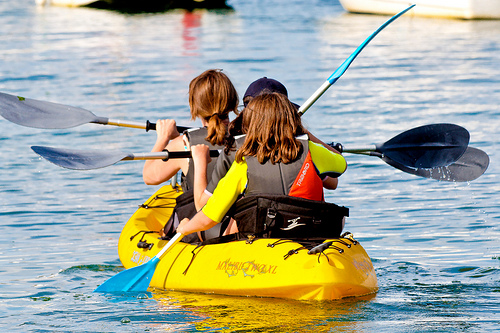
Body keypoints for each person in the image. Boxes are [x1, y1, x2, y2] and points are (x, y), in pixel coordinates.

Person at [178, 92, 347, 237]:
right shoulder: (311, 150)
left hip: (266, 236)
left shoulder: (243, 164)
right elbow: (341, 164)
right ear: (292, 122)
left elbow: (210, 216)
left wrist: (185, 227)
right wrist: (306, 137)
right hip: (312, 231)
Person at [192, 77, 342, 211]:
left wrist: (200, 162)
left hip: (259, 226)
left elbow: (202, 205)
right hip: (303, 222)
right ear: (287, 113)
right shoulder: (303, 148)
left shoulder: (236, 151)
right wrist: (305, 135)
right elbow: (333, 181)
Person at [142, 69, 238, 242]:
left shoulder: (185, 144)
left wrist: (163, 137)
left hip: (204, 228)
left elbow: (149, 177)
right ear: (233, 102)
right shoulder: (246, 138)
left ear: (196, 108)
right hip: (237, 223)